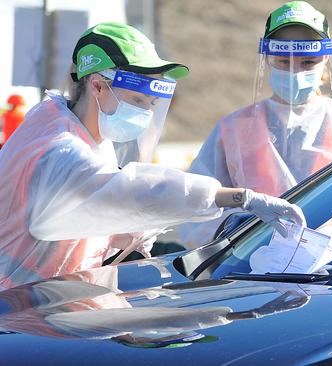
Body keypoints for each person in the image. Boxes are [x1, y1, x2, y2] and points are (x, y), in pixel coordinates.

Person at [0, 22, 305, 290]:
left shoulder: (80, 130)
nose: (145, 112)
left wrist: (123, 231)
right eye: (136, 99)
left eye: (150, 103)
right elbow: (128, 188)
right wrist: (238, 198)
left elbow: (81, 212)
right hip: (16, 312)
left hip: (46, 303)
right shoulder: (59, 146)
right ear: (97, 85)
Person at [178, 1, 332, 248]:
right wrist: (247, 238)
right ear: (266, 59)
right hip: (249, 269)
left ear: (326, 59)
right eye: (283, 61)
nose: (295, 72)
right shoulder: (233, 129)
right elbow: (197, 211)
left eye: (308, 62)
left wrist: (323, 247)